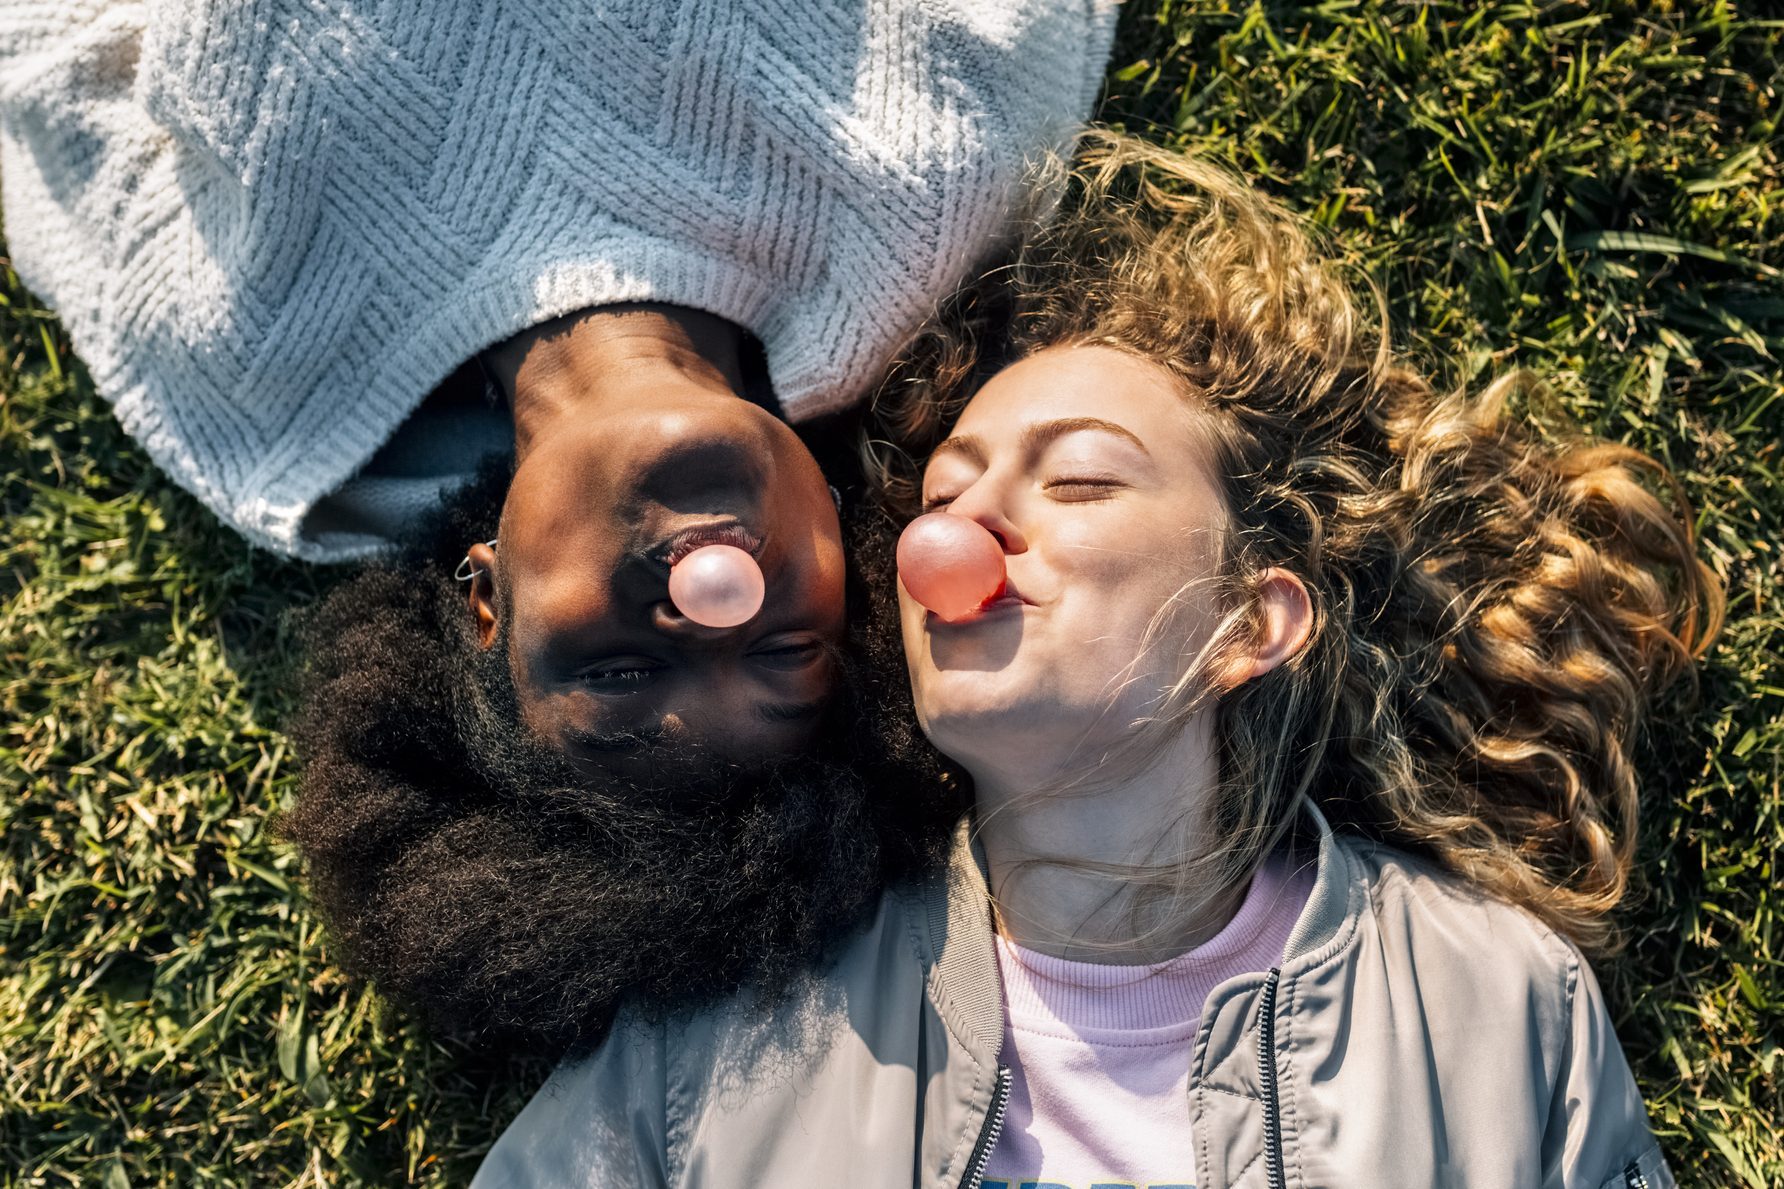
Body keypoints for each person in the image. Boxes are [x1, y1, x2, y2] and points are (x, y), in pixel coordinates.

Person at [469, 132, 1723, 1187]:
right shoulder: (735, 1012)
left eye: (1076, 478)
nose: (962, 530)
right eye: (944, 492)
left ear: (1250, 622)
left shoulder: (1494, 1004)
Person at [0, 0, 1120, 765]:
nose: (705, 599)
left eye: (620, 668)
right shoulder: (927, 201)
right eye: (786, 649)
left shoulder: (247, 369)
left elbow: (42, 72)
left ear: (487, 604)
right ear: (844, 557)